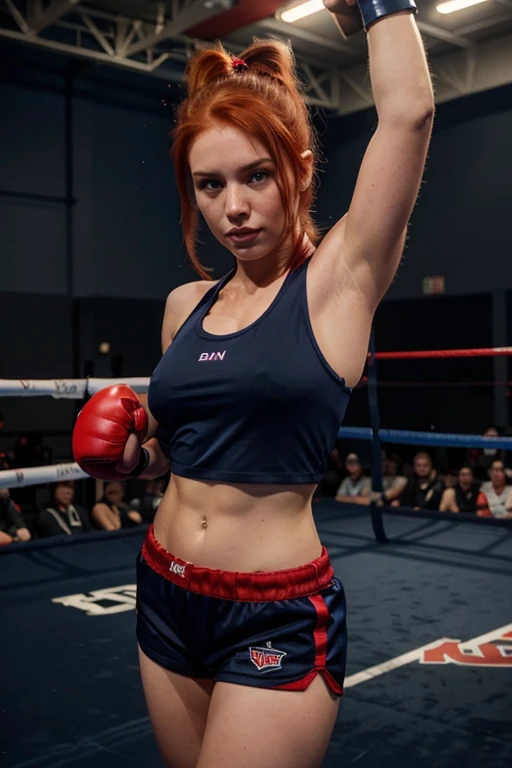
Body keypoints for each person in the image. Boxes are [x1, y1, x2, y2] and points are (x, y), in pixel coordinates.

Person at [72, 2, 433, 765]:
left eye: (256, 176)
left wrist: (376, 6)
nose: (232, 209)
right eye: (208, 186)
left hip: (274, 612)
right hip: (163, 588)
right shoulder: (185, 309)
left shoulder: (340, 281)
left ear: (299, 169)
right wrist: (135, 460)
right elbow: (178, 454)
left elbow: (408, 112)